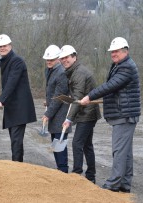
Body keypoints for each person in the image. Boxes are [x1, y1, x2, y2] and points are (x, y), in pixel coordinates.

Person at [81, 37, 141, 193]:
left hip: (125, 115)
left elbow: (110, 86)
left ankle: (113, 184)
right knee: (125, 151)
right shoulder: (119, 65)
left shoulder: (126, 67)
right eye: (112, 51)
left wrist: (89, 96)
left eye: (116, 51)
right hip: (124, 114)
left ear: (125, 51)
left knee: (119, 150)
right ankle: (124, 183)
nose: (113, 54)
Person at [59, 45, 101, 183]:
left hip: (88, 113)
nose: (64, 60)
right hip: (87, 113)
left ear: (74, 57)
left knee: (77, 143)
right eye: (62, 58)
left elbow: (77, 97)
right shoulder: (74, 71)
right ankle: (91, 177)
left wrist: (69, 119)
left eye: (67, 57)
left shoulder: (79, 73)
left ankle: (77, 174)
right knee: (87, 145)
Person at [0, 34, 37, 162]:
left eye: (4, 46)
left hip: (20, 107)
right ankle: (17, 166)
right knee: (14, 140)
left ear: (10, 46)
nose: (2, 48)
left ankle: (17, 167)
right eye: (0, 46)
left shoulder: (17, 61)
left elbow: (12, 82)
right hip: (12, 107)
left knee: (16, 141)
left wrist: (1, 99)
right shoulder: (6, 60)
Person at [42, 45, 71, 173]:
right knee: (55, 144)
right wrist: (47, 102)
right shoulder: (50, 70)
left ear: (58, 59)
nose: (49, 61)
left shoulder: (61, 73)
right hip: (54, 115)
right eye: (47, 60)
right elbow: (52, 92)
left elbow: (59, 97)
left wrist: (47, 113)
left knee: (60, 144)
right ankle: (60, 170)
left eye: (52, 59)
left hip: (61, 115)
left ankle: (63, 171)